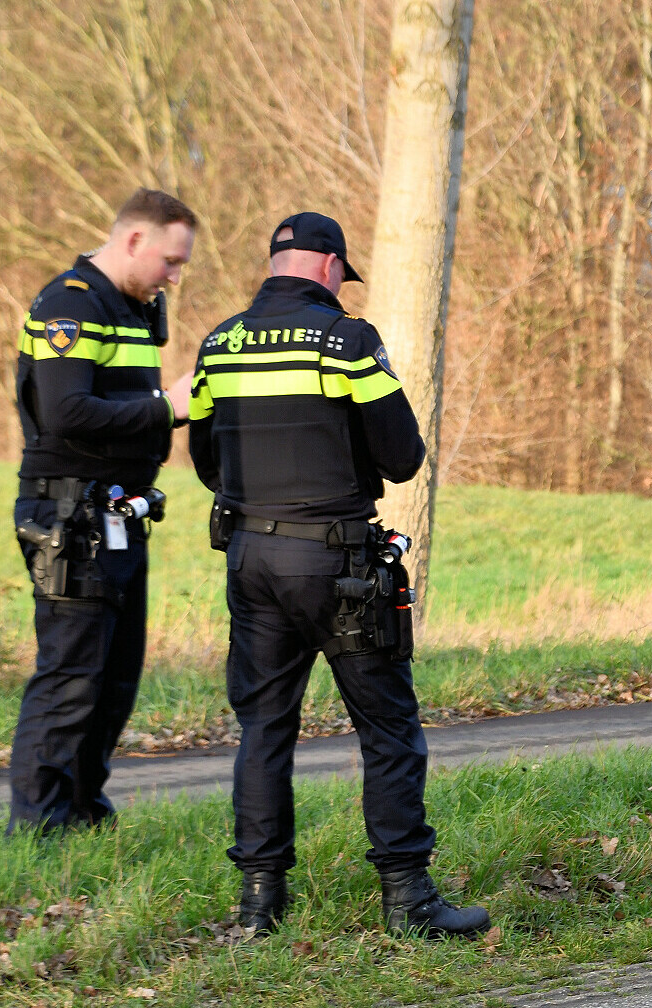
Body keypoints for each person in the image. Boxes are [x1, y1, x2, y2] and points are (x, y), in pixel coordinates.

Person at [187, 212, 489, 940]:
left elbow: (204, 461)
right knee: (386, 726)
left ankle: (259, 905)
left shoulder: (219, 343)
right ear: (328, 265)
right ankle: (408, 901)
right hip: (340, 566)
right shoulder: (348, 340)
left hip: (252, 559)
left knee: (263, 729)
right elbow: (402, 457)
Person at [10, 188, 198, 835]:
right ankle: (36, 829)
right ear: (134, 240)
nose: (174, 276)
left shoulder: (136, 307)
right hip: (69, 515)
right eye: (170, 261)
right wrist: (166, 409)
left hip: (118, 513)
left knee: (115, 679)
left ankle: (84, 811)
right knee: (70, 677)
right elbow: (66, 411)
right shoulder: (71, 302)